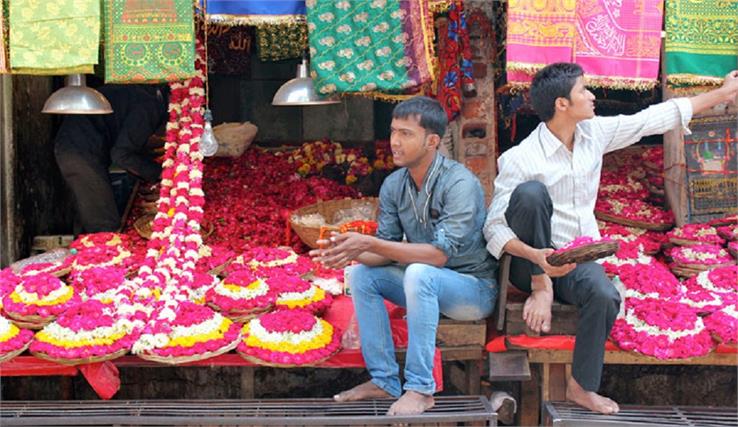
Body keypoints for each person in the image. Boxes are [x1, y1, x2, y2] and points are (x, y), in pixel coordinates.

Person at [484, 63, 738, 414]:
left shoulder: (594, 133)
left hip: (576, 255)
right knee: (530, 194)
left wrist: (722, 95)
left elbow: (654, 117)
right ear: (562, 104)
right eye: (584, 90)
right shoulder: (520, 158)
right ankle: (543, 288)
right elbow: (494, 227)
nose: (592, 96)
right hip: (530, 261)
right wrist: (539, 268)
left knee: (604, 296)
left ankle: (582, 387)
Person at [311, 96, 498, 416]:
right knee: (361, 276)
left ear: (432, 141)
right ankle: (383, 379)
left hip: (472, 289)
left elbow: (437, 257)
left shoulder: (459, 183)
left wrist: (369, 244)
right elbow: (383, 250)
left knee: (420, 272)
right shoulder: (394, 184)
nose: (394, 141)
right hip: (424, 285)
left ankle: (421, 388)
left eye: (406, 134)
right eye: (393, 131)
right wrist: (347, 252)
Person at [54, 84, 168, 233]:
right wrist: (160, 173)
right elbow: (122, 154)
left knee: (91, 213)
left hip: (76, 145)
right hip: (79, 153)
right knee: (104, 225)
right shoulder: (151, 106)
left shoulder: (145, 94)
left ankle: (87, 246)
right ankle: (97, 253)